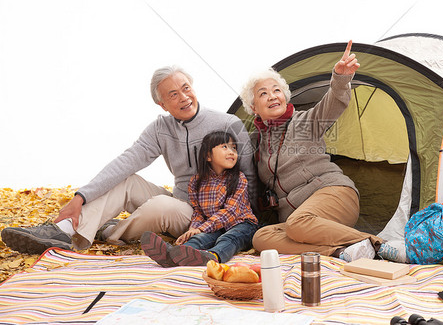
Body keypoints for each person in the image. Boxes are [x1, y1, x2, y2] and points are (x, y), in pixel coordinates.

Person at [1, 66, 257, 254]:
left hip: (205, 216)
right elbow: (126, 162)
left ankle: (110, 231)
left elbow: (249, 177)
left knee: (160, 206)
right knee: (127, 179)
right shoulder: (160, 128)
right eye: (173, 94)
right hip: (180, 199)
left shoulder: (226, 123)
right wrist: (80, 197)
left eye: (186, 88)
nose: (184, 97)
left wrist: (249, 223)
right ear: (162, 104)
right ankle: (64, 231)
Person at [238, 40, 406, 263]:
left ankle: (380, 245)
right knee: (261, 238)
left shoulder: (305, 122)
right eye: (263, 93)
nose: (272, 96)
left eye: (276, 90)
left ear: (285, 97)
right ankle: (340, 253)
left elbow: (333, 103)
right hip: (300, 223)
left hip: (335, 195)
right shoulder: (255, 142)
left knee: (297, 223)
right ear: (252, 107)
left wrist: (341, 78)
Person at [141, 130, 258, 267]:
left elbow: (230, 211)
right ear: (208, 156)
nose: (232, 152)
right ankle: (173, 255)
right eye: (225, 147)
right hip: (213, 227)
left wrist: (202, 228)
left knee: (228, 238)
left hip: (242, 224)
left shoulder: (239, 178)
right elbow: (198, 212)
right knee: (200, 238)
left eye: (234, 148)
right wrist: (193, 230)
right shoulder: (196, 182)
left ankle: (212, 257)